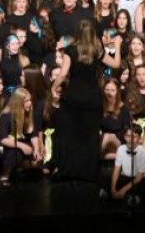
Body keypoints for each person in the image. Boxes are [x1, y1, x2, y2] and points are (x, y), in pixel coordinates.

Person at [52, 21, 122, 181]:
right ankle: (88, 172)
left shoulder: (70, 50)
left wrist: (54, 87)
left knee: (69, 135)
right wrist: (117, 46)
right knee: (90, 137)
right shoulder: (97, 51)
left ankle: (68, 170)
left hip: (73, 99)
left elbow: (62, 74)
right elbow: (116, 64)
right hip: (92, 99)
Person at [101, 124, 145, 207]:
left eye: (134, 136)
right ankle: (118, 194)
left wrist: (123, 190)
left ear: (139, 138)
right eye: (128, 136)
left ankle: (125, 196)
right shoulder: (121, 149)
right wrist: (113, 189)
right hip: (125, 177)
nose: (130, 139)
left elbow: (139, 177)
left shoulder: (144, 153)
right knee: (107, 177)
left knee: (144, 185)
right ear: (124, 137)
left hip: (138, 180)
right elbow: (116, 170)